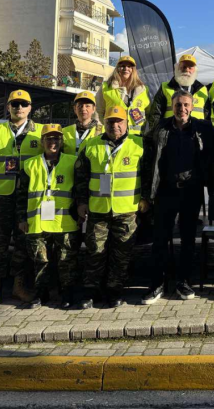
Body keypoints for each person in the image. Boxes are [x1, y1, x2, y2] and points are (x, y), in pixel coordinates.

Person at [141, 90, 214, 304]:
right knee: (160, 240)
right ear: (172, 107)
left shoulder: (202, 129)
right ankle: (157, 284)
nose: (181, 109)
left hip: (191, 191)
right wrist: (147, 193)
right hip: (165, 190)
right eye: (177, 105)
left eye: (185, 105)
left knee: (187, 240)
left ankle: (183, 282)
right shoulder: (161, 128)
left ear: (192, 107)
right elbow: (148, 156)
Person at [0, 90, 42, 309]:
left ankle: (19, 285)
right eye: (15, 104)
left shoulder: (40, 132)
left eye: (23, 104)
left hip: (28, 199)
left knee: (23, 244)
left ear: (30, 107)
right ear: (8, 107)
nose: (19, 108)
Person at [74, 105, 146, 308]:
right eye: (110, 122)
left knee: (121, 253)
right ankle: (91, 291)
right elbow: (81, 177)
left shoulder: (139, 144)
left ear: (126, 123)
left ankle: (115, 291)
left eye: (119, 121)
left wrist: (146, 199)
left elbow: (149, 175)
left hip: (127, 210)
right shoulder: (91, 145)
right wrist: (81, 202)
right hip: (98, 210)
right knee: (95, 251)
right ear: (104, 123)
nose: (115, 125)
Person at [16, 124, 79, 309]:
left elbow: (80, 190)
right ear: (42, 141)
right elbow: (21, 195)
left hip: (64, 221)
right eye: (49, 138)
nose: (53, 142)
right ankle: (40, 294)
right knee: (40, 260)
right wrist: (21, 218)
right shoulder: (30, 164)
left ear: (62, 141)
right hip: (37, 222)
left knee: (66, 260)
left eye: (56, 138)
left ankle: (67, 293)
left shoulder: (73, 162)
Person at [146, 53, 209, 126]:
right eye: (184, 67)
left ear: (195, 70)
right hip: (171, 133)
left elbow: (208, 115)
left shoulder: (202, 89)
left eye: (190, 67)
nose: (186, 70)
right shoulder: (165, 87)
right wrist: (156, 133)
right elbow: (155, 114)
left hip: (196, 133)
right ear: (177, 68)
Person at [96, 55, 151, 132]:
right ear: (117, 68)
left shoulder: (143, 90)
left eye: (129, 66)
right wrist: (107, 129)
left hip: (136, 138)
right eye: (122, 66)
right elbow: (98, 112)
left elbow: (150, 115)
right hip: (114, 136)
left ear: (133, 70)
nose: (126, 69)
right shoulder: (106, 87)